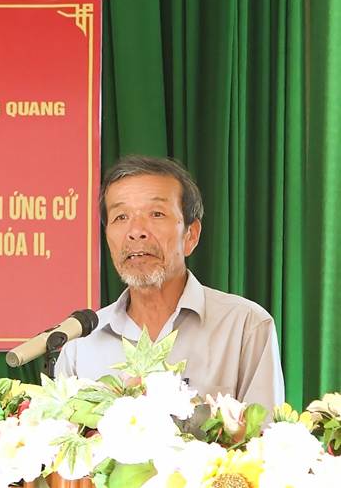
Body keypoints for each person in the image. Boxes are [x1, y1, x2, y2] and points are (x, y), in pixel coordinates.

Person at [55, 155, 285, 408]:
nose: (136, 231)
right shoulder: (81, 345)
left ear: (191, 235)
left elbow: (264, 429)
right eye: (121, 217)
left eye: (156, 214)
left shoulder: (245, 326)